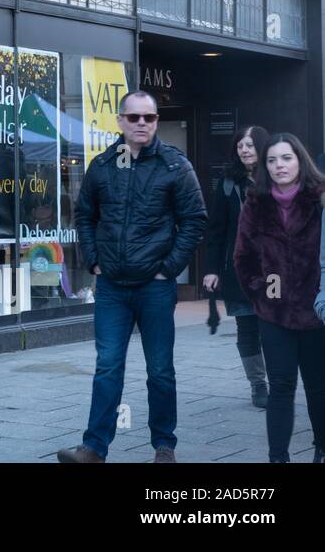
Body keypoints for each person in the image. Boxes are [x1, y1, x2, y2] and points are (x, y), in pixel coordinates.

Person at [57, 90, 207, 464]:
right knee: (107, 366)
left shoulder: (175, 165)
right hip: (111, 287)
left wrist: (167, 268)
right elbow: (84, 215)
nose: (142, 123)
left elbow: (194, 221)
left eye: (150, 118)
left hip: (154, 287)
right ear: (120, 121)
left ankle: (164, 446)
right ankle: (93, 448)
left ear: (156, 122)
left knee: (160, 370)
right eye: (134, 117)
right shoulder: (103, 165)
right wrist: (93, 260)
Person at [233, 132, 325, 463]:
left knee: (318, 388)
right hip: (275, 314)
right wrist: (263, 291)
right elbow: (243, 258)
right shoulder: (256, 202)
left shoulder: (319, 199)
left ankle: (321, 449)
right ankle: (278, 458)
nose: (278, 165)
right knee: (281, 387)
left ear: (300, 160)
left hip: (317, 312)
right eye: (271, 160)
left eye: (286, 158)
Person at [203, 125, 270, 408]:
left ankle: (280, 380)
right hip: (240, 269)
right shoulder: (228, 184)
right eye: (240, 145)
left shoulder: (279, 178)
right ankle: (258, 384)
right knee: (247, 327)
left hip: (275, 271)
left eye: (250, 145)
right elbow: (217, 230)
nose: (244, 149)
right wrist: (212, 269)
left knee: (274, 326)